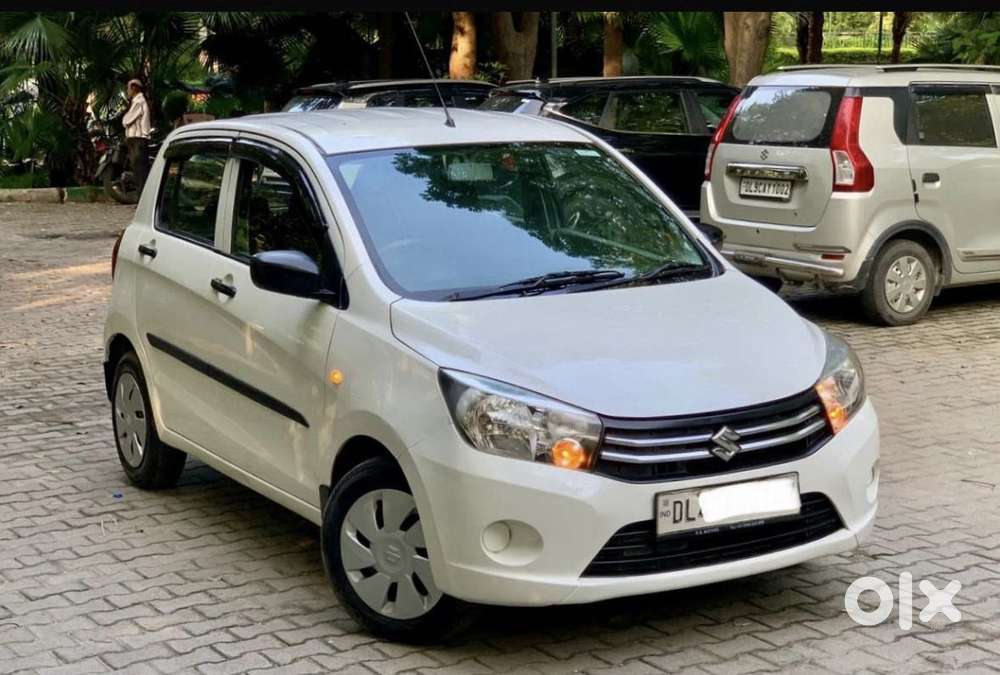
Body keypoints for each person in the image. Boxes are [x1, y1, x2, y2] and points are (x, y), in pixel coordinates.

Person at [122, 79, 152, 194]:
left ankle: (142, 199)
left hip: (137, 140)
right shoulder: (137, 101)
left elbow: (126, 121)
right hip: (136, 140)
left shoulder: (139, 102)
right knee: (139, 171)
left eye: (128, 88)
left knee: (140, 172)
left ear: (133, 88)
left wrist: (124, 119)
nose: (127, 91)